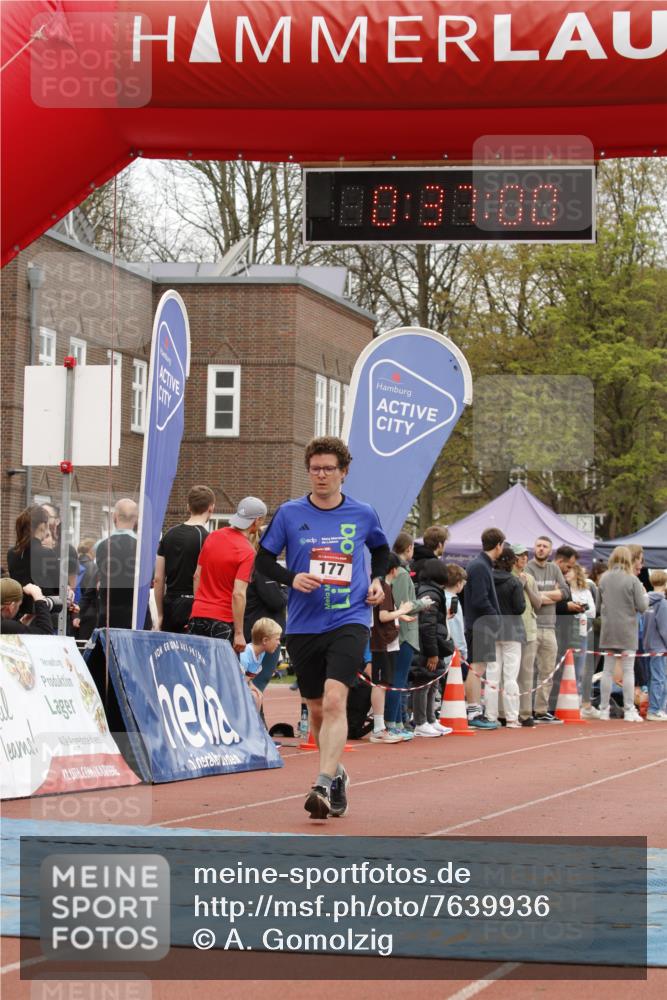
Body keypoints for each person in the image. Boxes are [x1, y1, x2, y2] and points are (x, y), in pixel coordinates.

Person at [255, 435, 389, 820]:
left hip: (350, 618)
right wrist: (292, 577)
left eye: (329, 469)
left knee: (334, 701)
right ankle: (338, 772)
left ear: (344, 472)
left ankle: (322, 783)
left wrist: (377, 581)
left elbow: (382, 551)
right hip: (303, 623)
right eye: (315, 469)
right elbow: (263, 561)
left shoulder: (363, 512)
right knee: (315, 709)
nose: (322, 475)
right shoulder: (289, 513)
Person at [189, 497, 267, 651]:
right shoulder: (247, 552)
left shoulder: (213, 536)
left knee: (196, 665)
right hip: (222, 620)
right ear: (257, 521)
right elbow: (238, 594)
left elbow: (197, 575)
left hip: (197, 615)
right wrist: (239, 633)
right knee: (223, 667)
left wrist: (199, 605)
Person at [154, 485, 216, 633]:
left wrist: (160, 614)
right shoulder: (208, 539)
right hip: (194, 605)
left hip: (169, 603)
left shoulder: (169, 534)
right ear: (211, 508)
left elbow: (158, 578)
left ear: (188, 507)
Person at [386, 532, 430, 741]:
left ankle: (396, 722)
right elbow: (405, 605)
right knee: (398, 679)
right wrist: (423, 603)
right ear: (409, 548)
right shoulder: (401, 574)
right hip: (404, 632)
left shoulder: (394, 571)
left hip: (397, 630)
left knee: (397, 679)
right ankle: (392, 724)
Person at [598, 546, 649, 722]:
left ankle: (603, 709)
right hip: (627, 631)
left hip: (608, 631)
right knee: (628, 671)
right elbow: (642, 607)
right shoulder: (632, 580)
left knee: (607, 671)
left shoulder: (604, 578)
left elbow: (598, 605)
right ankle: (629, 710)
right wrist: (645, 596)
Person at [463, 527, 506, 729]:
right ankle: (473, 712)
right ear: (498, 545)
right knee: (477, 668)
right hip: (481, 624)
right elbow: (480, 599)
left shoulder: (480, 565)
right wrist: (495, 617)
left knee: (478, 667)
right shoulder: (480, 566)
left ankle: (474, 710)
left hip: (480, 623)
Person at [369, 552, 414, 744]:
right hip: (383, 642)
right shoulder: (384, 587)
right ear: (394, 570)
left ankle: (380, 726)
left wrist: (400, 615)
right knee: (380, 684)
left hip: (385, 641)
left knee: (383, 683)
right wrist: (401, 611)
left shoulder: (381, 587)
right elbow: (383, 616)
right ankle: (379, 728)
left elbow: (385, 613)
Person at [525, 536, 569, 724]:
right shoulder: (527, 568)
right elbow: (528, 595)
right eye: (539, 546)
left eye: (545, 546)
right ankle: (525, 710)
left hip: (550, 627)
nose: (541, 549)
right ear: (534, 548)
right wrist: (552, 595)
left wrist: (540, 595)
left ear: (550, 551)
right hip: (532, 626)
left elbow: (565, 593)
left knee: (547, 671)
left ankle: (541, 710)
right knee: (527, 671)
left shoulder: (555, 569)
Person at [410, 558, 454, 737]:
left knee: (432, 682)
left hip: (433, 643)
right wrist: (432, 653)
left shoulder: (433, 591)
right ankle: (420, 722)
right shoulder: (431, 594)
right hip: (427, 646)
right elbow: (427, 626)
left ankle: (430, 719)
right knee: (424, 682)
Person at [243, 528, 288, 694]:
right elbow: (276, 601)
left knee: (252, 685)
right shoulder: (262, 568)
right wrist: (287, 589)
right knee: (255, 686)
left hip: (257, 631)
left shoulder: (255, 564)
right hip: (263, 634)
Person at [487, 545, 526, 728]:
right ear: (512, 562)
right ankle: (511, 717)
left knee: (492, 676)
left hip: (491, 629)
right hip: (512, 631)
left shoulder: (488, 579)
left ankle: (490, 716)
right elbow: (519, 608)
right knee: (510, 677)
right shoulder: (515, 582)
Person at [95, 498, 145, 630]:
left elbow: (99, 577)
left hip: (108, 616)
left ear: (114, 516)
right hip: (136, 617)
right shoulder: (143, 547)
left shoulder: (101, 546)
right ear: (136, 518)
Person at [6, 506, 60, 617]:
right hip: (43, 614)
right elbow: (58, 588)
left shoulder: (12, 553)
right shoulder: (47, 553)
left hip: (18, 613)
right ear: (42, 526)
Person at [564, 562, 596, 704]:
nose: (566, 573)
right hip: (568, 631)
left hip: (582, 631)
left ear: (576, 573)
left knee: (580, 666)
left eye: (569, 571)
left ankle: (577, 697)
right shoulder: (564, 590)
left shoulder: (586, 591)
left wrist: (579, 610)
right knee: (566, 665)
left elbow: (592, 611)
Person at [239, 617, 283, 714]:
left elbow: (247, 677)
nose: (279, 643)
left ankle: (254, 722)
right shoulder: (244, 656)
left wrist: (252, 686)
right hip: (232, 692)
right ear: (265, 640)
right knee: (254, 697)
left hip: (240, 688)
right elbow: (236, 683)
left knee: (257, 695)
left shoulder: (261, 654)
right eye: (277, 639)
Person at [643, 570, 667, 721]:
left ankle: (655, 708)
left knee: (653, 678)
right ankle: (656, 709)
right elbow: (664, 628)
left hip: (648, 644)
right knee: (660, 678)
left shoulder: (646, 602)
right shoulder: (662, 603)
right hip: (659, 646)